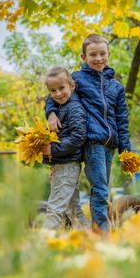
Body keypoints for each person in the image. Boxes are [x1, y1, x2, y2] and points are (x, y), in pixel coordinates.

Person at [45, 34, 131, 231]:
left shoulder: (116, 87)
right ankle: (101, 232)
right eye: (93, 54)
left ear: (109, 54)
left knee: (102, 189)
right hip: (92, 142)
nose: (98, 58)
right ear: (84, 57)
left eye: (102, 54)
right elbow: (53, 94)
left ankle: (87, 230)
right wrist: (51, 113)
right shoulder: (77, 79)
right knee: (100, 189)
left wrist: (126, 151)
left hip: (110, 144)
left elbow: (122, 121)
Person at [42, 66, 89, 230]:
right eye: (53, 90)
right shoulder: (60, 107)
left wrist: (53, 150)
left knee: (55, 207)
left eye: (61, 88)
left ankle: (43, 243)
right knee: (72, 207)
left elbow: (78, 138)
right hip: (62, 163)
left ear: (72, 86)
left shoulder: (74, 108)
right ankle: (90, 237)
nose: (58, 93)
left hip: (67, 164)